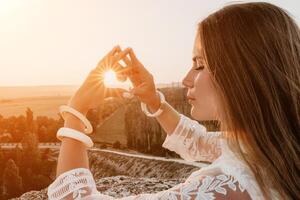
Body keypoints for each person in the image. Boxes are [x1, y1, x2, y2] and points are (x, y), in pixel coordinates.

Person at [47, 2, 299, 200]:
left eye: (200, 65)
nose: (186, 79)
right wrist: (154, 101)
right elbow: (201, 142)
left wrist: (76, 110)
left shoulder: (225, 188)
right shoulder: (277, 148)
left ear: (244, 75)